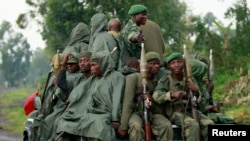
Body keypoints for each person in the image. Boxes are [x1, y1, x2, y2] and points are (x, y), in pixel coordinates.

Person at [55, 52, 125, 141]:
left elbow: (117, 99)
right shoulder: (94, 78)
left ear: (103, 63)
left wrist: (115, 119)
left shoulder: (117, 77)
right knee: (66, 121)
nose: (91, 68)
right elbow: (80, 93)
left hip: (105, 113)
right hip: (92, 111)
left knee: (99, 125)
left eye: (93, 65)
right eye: (80, 61)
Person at [152, 52, 214, 141]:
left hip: (190, 110)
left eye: (179, 62)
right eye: (173, 63)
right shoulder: (166, 80)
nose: (176, 65)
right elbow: (156, 96)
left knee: (209, 124)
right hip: (174, 113)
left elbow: (200, 101)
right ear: (169, 66)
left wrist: (196, 91)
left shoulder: (189, 79)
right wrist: (172, 95)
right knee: (192, 125)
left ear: (183, 64)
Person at [118, 52, 173, 141]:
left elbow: (159, 108)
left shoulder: (157, 81)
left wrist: (151, 100)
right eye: (152, 64)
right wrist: (123, 126)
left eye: (158, 64)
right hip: (135, 113)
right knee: (136, 126)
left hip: (152, 113)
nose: (157, 66)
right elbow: (128, 102)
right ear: (144, 65)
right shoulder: (133, 78)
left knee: (166, 125)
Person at [38, 53, 81, 141]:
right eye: (68, 64)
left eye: (72, 64)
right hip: (57, 108)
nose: (70, 66)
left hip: (66, 109)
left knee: (51, 124)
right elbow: (52, 99)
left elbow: (62, 85)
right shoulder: (59, 77)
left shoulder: (75, 77)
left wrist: (57, 82)